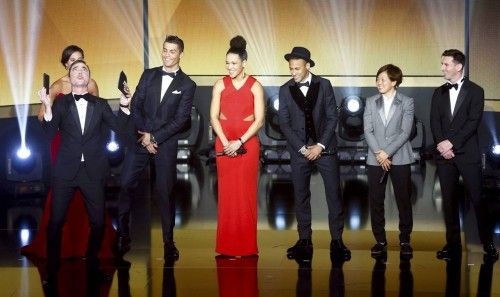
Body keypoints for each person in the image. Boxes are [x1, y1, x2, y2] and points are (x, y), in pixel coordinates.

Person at [38, 60, 131, 286]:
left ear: (89, 78)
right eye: (75, 69)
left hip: (92, 171)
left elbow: (120, 128)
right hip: (65, 171)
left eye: (84, 70)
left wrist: (125, 107)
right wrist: (47, 106)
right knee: (56, 222)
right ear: (69, 77)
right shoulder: (60, 104)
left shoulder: (100, 104)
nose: (80, 72)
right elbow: (48, 135)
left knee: (98, 223)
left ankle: (92, 265)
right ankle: (52, 270)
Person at [22, 45, 116, 260]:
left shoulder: (90, 84)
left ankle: (91, 250)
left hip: (88, 146)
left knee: (92, 197)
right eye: (73, 60)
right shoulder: (57, 86)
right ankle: (59, 253)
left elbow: (98, 115)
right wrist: (50, 109)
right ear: (65, 64)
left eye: (81, 59)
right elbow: (41, 117)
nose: (77, 64)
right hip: (63, 143)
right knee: (62, 198)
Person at [116, 35, 196, 260]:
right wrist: (145, 137)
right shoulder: (148, 74)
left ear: (181, 54)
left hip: (165, 143)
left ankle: (169, 242)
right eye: (165, 50)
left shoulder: (188, 84)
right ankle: (123, 235)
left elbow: (181, 120)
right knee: (124, 185)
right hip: (140, 138)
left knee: (165, 192)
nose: (167, 54)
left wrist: (155, 138)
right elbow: (137, 105)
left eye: (172, 51)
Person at [278, 47, 350, 260]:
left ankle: (337, 240)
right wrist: (302, 148)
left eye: (297, 68)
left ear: (308, 65)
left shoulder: (324, 85)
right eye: (291, 68)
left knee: (334, 195)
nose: (293, 72)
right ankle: (304, 240)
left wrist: (320, 145)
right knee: (300, 196)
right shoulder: (285, 90)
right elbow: (284, 123)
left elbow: (331, 118)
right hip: (299, 151)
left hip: (325, 149)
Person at [430, 49, 498, 261]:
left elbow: (472, 122)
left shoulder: (476, 91)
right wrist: (442, 145)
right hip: (444, 155)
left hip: (467, 154)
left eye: (446, 64)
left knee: (477, 199)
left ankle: (487, 244)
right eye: (442, 64)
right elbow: (434, 122)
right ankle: (452, 245)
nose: (442, 68)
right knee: (448, 201)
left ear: (459, 66)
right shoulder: (438, 92)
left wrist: (451, 143)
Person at [210, 36, 265, 256]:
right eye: (227, 63)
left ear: (244, 63)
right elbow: (213, 117)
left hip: (247, 145)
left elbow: (259, 120)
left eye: (233, 63)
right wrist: (225, 143)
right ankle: (226, 245)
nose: (229, 67)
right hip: (224, 144)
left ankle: (246, 246)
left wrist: (239, 142)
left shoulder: (255, 86)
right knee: (227, 196)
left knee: (245, 196)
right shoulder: (220, 84)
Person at [363, 64, 415, 258]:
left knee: (403, 200)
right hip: (375, 158)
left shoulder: (407, 102)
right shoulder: (370, 102)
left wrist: (387, 152)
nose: (379, 83)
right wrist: (379, 152)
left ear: (394, 82)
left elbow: (405, 132)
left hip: (400, 157)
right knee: (376, 200)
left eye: (383, 79)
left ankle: (405, 239)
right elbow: (367, 130)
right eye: (377, 79)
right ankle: (380, 240)